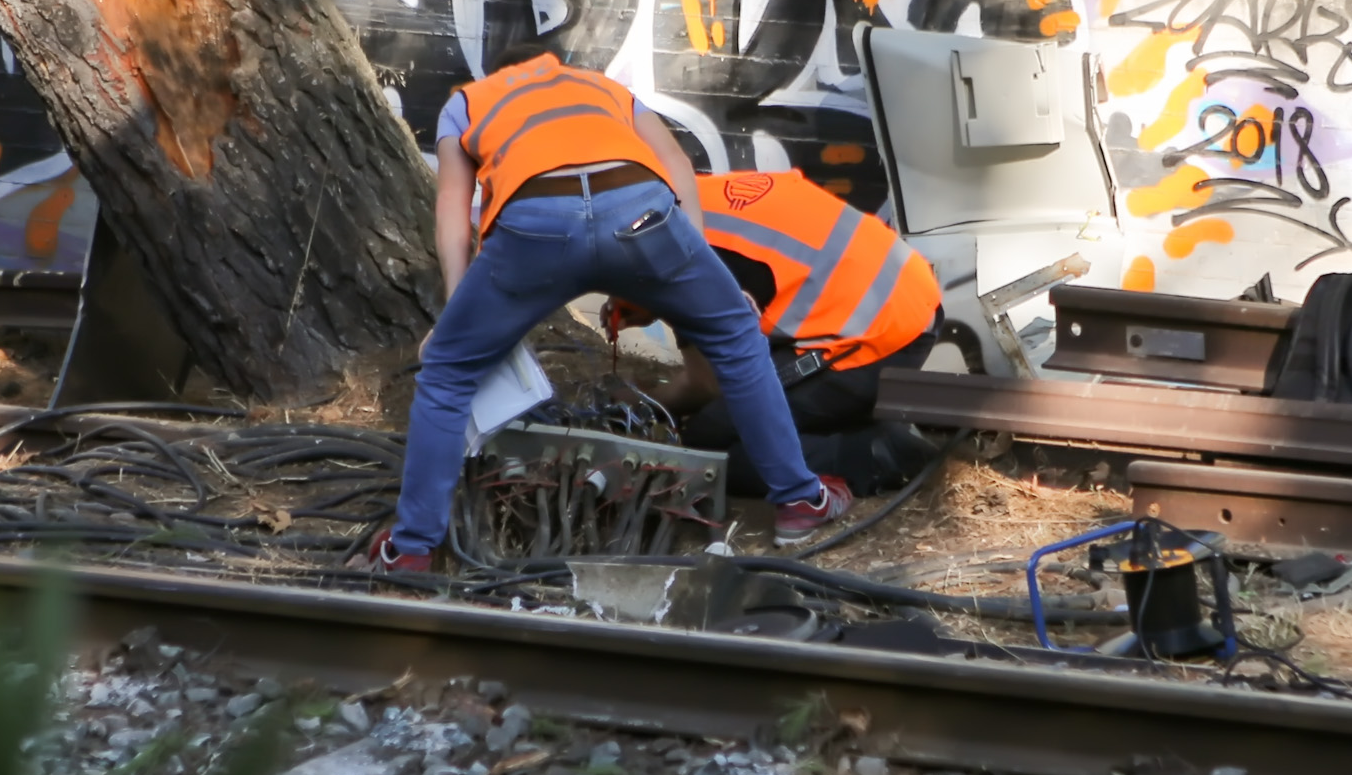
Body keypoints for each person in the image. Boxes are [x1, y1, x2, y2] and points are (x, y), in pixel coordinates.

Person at [383, 48, 850, 571]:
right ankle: (798, 501)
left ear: (496, 75)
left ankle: (411, 552)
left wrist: (453, 311)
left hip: (535, 222)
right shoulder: (598, 87)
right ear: (553, 63)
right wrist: (702, 272)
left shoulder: (467, 103)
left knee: (447, 372)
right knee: (736, 334)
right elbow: (675, 165)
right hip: (637, 209)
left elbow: (452, 207)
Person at [621, 169, 945, 494]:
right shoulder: (693, 195)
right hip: (908, 296)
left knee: (707, 442)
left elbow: (706, 385)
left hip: (875, 333)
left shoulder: (676, 258)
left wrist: (642, 408)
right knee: (747, 399)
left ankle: (875, 455)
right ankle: (858, 423)